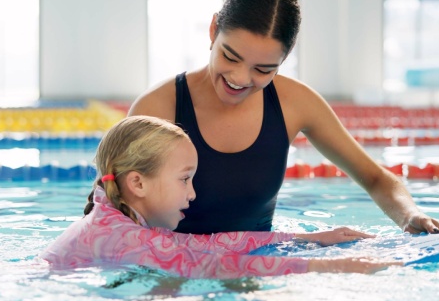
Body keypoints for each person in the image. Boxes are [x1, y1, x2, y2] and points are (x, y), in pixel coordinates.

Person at [129, 0, 439, 235]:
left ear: (285, 59)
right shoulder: (159, 107)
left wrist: (410, 215)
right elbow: (115, 218)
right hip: (170, 275)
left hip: (258, 271)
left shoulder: (295, 103)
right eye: (230, 56)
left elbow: (376, 178)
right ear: (213, 30)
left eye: (263, 69)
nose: (240, 78)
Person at [39, 115, 399, 279]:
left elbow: (209, 245)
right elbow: (218, 266)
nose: (193, 193)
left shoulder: (117, 222)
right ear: (138, 183)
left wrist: (310, 239)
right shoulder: (125, 236)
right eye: (185, 179)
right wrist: (332, 267)